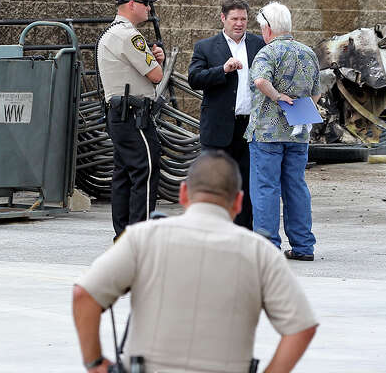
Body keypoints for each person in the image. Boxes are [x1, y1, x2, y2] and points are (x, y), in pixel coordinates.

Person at [72, 150, 319, 373]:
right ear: (238, 202)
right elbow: (301, 327)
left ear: (183, 193)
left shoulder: (142, 237)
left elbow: (84, 295)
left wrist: (94, 363)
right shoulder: (260, 252)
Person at [246, 1, 321, 260]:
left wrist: (278, 96)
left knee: (266, 188)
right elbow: (317, 90)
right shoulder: (307, 53)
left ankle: (267, 247)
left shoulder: (267, 53)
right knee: (296, 187)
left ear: (267, 28)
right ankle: (303, 247)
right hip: (298, 133)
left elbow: (260, 80)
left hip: (267, 133)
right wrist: (301, 105)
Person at [187, 0, 266, 230]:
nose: (239, 23)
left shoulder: (258, 45)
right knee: (215, 182)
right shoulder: (206, 47)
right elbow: (194, 78)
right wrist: (222, 69)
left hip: (249, 128)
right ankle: (212, 229)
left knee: (247, 184)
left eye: (243, 19)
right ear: (223, 18)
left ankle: (242, 233)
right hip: (219, 126)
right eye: (234, 19)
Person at [97, 0, 167, 239]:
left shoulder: (109, 33)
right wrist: (155, 60)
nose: (149, 8)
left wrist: (153, 57)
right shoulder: (130, 36)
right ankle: (139, 236)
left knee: (124, 174)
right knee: (145, 170)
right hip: (134, 116)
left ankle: (123, 234)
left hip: (119, 114)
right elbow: (157, 76)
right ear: (132, 5)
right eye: (146, 3)